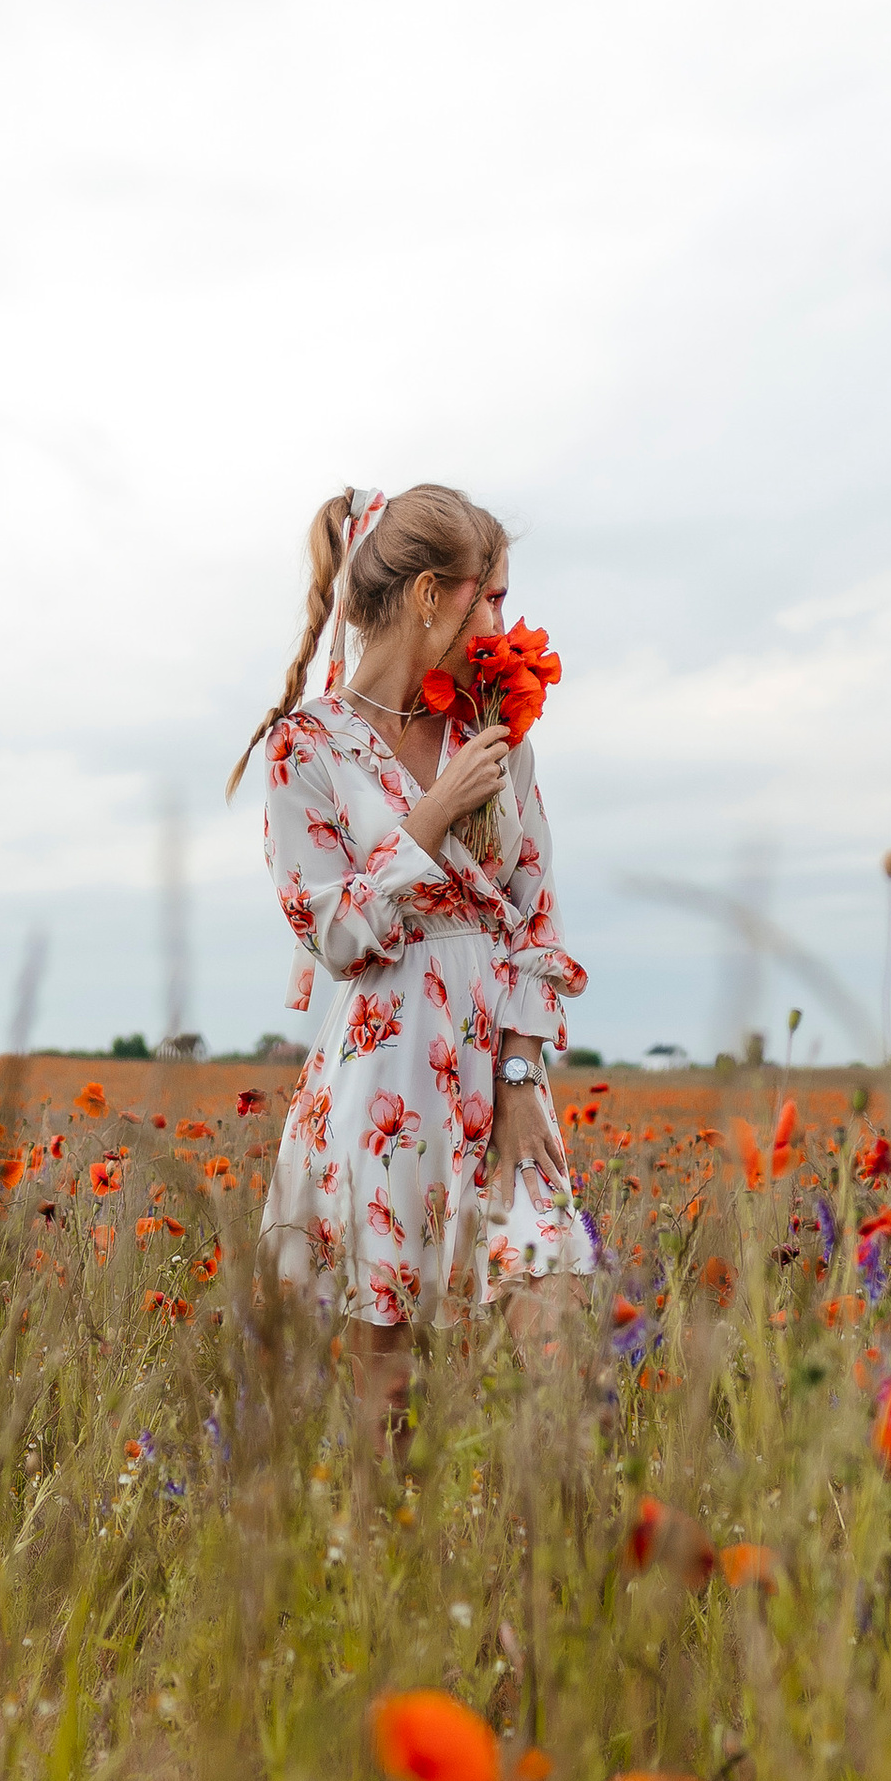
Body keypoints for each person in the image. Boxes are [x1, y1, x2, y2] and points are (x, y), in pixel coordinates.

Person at [230, 484, 592, 1441]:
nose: (508, 623)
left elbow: (535, 910)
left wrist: (521, 1077)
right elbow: (333, 935)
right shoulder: (304, 747)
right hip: (383, 1082)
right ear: (433, 594)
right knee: (380, 1394)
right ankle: (378, 1579)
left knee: (553, 1335)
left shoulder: (492, 722)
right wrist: (430, 819)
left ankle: (543, 1567)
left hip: (499, 1074)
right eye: (494, 597)